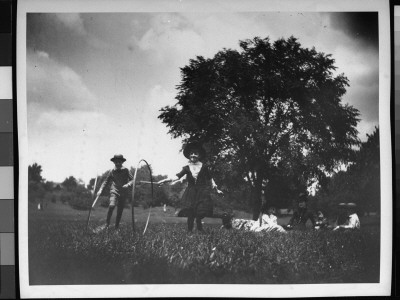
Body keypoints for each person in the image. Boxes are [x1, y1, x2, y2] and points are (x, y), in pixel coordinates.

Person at [157, 141, 223, 233]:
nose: (193, 155)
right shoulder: (186, 168)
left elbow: (210, 179)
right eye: (191, 153)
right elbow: (177, 177)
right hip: (191, 192)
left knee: (200, 211)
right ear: (189, 155)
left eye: (195, 153)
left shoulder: (204, 167)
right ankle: (189, 231)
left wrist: (217, 189)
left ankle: (199, 226)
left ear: (199, 155)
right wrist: (164, 180)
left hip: (202, 192)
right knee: (191, 212)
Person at [97, 154, 134, 229]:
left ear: (122, 162)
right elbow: (106, 181)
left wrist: (128, 184)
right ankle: (107, 224)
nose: (117, 164)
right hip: (114, 190)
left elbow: (133, 179)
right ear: (114, 162)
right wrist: (100, 190)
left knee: (120, 210)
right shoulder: (112, 171)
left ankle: (116, 226)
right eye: (116, 162)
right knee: (112, 205)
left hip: (123, 192)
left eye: (119, 162)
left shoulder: (126, 170)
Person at [222, 206, 286, 233]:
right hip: (254, 227)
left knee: (275, 226)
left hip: (255, 225)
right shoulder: (233, 224)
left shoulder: (269, 217)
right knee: (276, 227)